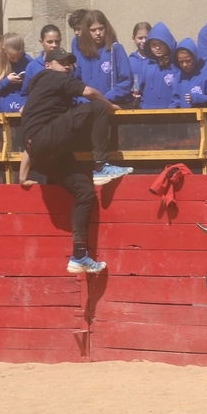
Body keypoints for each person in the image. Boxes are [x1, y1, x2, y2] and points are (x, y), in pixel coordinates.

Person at [19, 48, 132, 273]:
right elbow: (89, 91)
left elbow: (32, 144)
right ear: (48, 65)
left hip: (42, 153)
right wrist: (110, 105)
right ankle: (101, 167)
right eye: (61, 62)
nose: (66, 66)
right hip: (45, 141)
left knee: (85, 192)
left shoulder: (41, 95)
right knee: (97, 107)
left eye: (69, 63)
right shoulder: (52, 77)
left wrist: (22, 176)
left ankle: (79, 256)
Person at [74, 10, 133, 105]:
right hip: (89, 107)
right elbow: (77, 85)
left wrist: (103, 100)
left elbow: (126, 81)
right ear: (87, 32)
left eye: (101, 29)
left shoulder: (115, 49)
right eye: (93, 30)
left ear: (106, 28)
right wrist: (84, 101)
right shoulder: (82, 55)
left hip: (111, 106)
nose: (98, 33)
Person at [136, 23, 184, 110]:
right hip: (147, 111)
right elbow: (141, 89)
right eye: (153, 44)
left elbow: (181, 89)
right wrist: (142, 103)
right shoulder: (147, 65)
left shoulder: (176, 65)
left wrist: (175, 106)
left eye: (161, 44)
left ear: (168, 43)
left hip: (170, 112)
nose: (157, 47)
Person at [0, 33, 30, 114]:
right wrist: (7, 81)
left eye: (19, 57)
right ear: (3, 49)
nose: (16, 60)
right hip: (0, 113)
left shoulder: (28, 61)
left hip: (24, 112)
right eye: (12, 57)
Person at [128, 21, 152, 101]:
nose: (144, 41)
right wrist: (131, 91)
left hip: (151, 100)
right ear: (134, 39)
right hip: (133, 100)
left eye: (146, 37)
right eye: (140, 38)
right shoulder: (129, 61)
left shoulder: (155, 60)